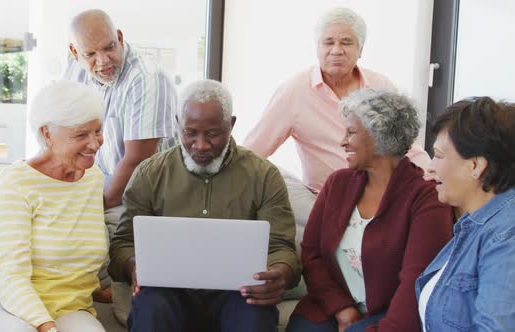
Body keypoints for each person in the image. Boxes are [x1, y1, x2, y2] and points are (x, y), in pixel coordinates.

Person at [108, 79, 300, 332]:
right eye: (190, 133)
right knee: (150, 305)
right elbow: (123, 243)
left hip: (237, 293)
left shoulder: (263, 175)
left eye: (212, 134)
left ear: (230, 125)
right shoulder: (149, 174)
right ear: (177, 123)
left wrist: (280, 272)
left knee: (254, 315)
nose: (200, 145)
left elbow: (281, 247)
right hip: (169, 292)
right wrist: (134, 266)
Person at [287, 89, 454, 332]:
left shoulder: (426, 199)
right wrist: (341, 309)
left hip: (390, 313)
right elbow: (311, 254)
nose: (343, 141)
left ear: (380, 137)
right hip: (330, 306)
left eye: (351, 132)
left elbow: (415, 283)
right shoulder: (338, 184)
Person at [0, 81, 108, 332]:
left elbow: (81, 261)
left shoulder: (93, 179)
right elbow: (9, 277)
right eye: (81, 135)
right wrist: (47, 327)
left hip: (66, 307)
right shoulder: (14, 185)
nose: (95, 143)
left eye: (97, 131)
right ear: (47, 134)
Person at [243, 7, 430, 192]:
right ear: (317, 48)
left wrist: (432, 179)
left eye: (346, 42)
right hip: (324, 196)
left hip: (380, 193)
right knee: (277, 182)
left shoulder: (380, 85)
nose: (336, 50)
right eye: (328, 42)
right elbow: (253, 151)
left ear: (360, 49)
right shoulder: (294, 91)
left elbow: (408, 147)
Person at [65, 9, 178, 301]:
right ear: (75, 52)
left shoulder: (148, 78)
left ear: (120, 37)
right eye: (90, 54)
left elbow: (137, 160)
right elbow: (65, 137)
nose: (102, 62)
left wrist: (93, 206)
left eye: (108, 48)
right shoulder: (76, 69)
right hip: (102, 181)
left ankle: (111, 289)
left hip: (150, 191)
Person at [416, 97, 515, 331]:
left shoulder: (506, 237)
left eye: (438, 155)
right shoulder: (475, 222)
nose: (429, 167)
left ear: (475, 166)